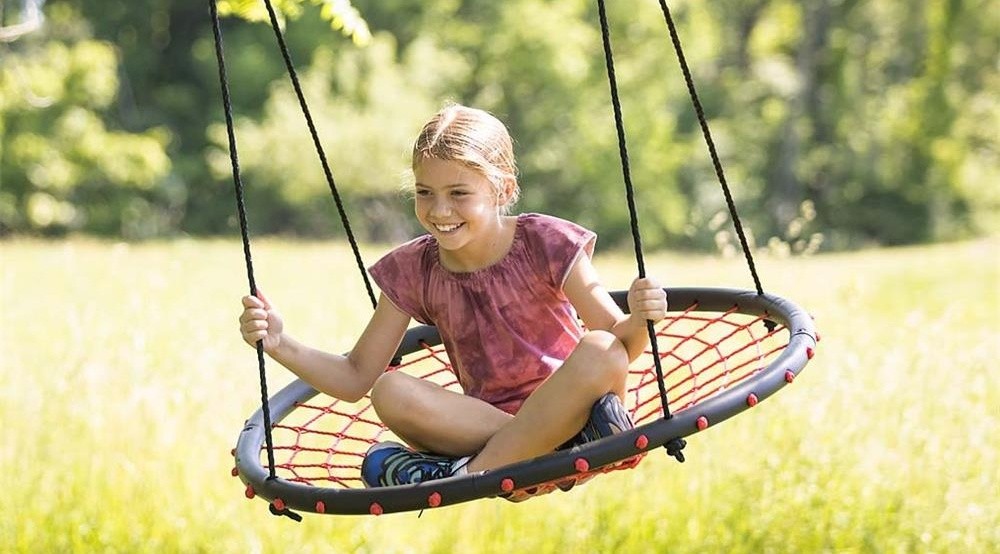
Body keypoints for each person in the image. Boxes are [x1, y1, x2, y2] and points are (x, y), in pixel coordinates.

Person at [238, 103, 668, 489]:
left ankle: (470, 474)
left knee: (601, 347)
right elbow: (356, 377)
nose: (439, 211)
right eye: (425, 193)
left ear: (502, 189)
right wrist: (279, 343)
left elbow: (622, 344)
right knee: (388, 390)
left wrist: (640, 316)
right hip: (483, 424)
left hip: (573, 401)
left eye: (459, 194)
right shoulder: (414, 268)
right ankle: (545, 453)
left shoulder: (545, 241)